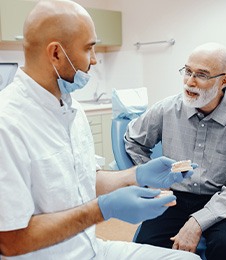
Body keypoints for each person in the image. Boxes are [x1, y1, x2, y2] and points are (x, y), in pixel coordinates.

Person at [0, 1, 202, 260]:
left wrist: (138, 174)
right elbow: (10, 240)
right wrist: (102, 210)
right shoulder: (8, 123)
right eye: (89, 48)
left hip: (90, 249)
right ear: (56, 54)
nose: (94, 60)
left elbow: (82, 179)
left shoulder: (71, 109)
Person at [125, 42, 226, 260]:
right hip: (176, 198)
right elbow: (133, 140)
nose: (189, 81)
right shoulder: (167, 109)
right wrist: (153, 181)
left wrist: (197, 222)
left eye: (202, 75)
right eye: (187, 71)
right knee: (147, 248)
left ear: (224, 80)